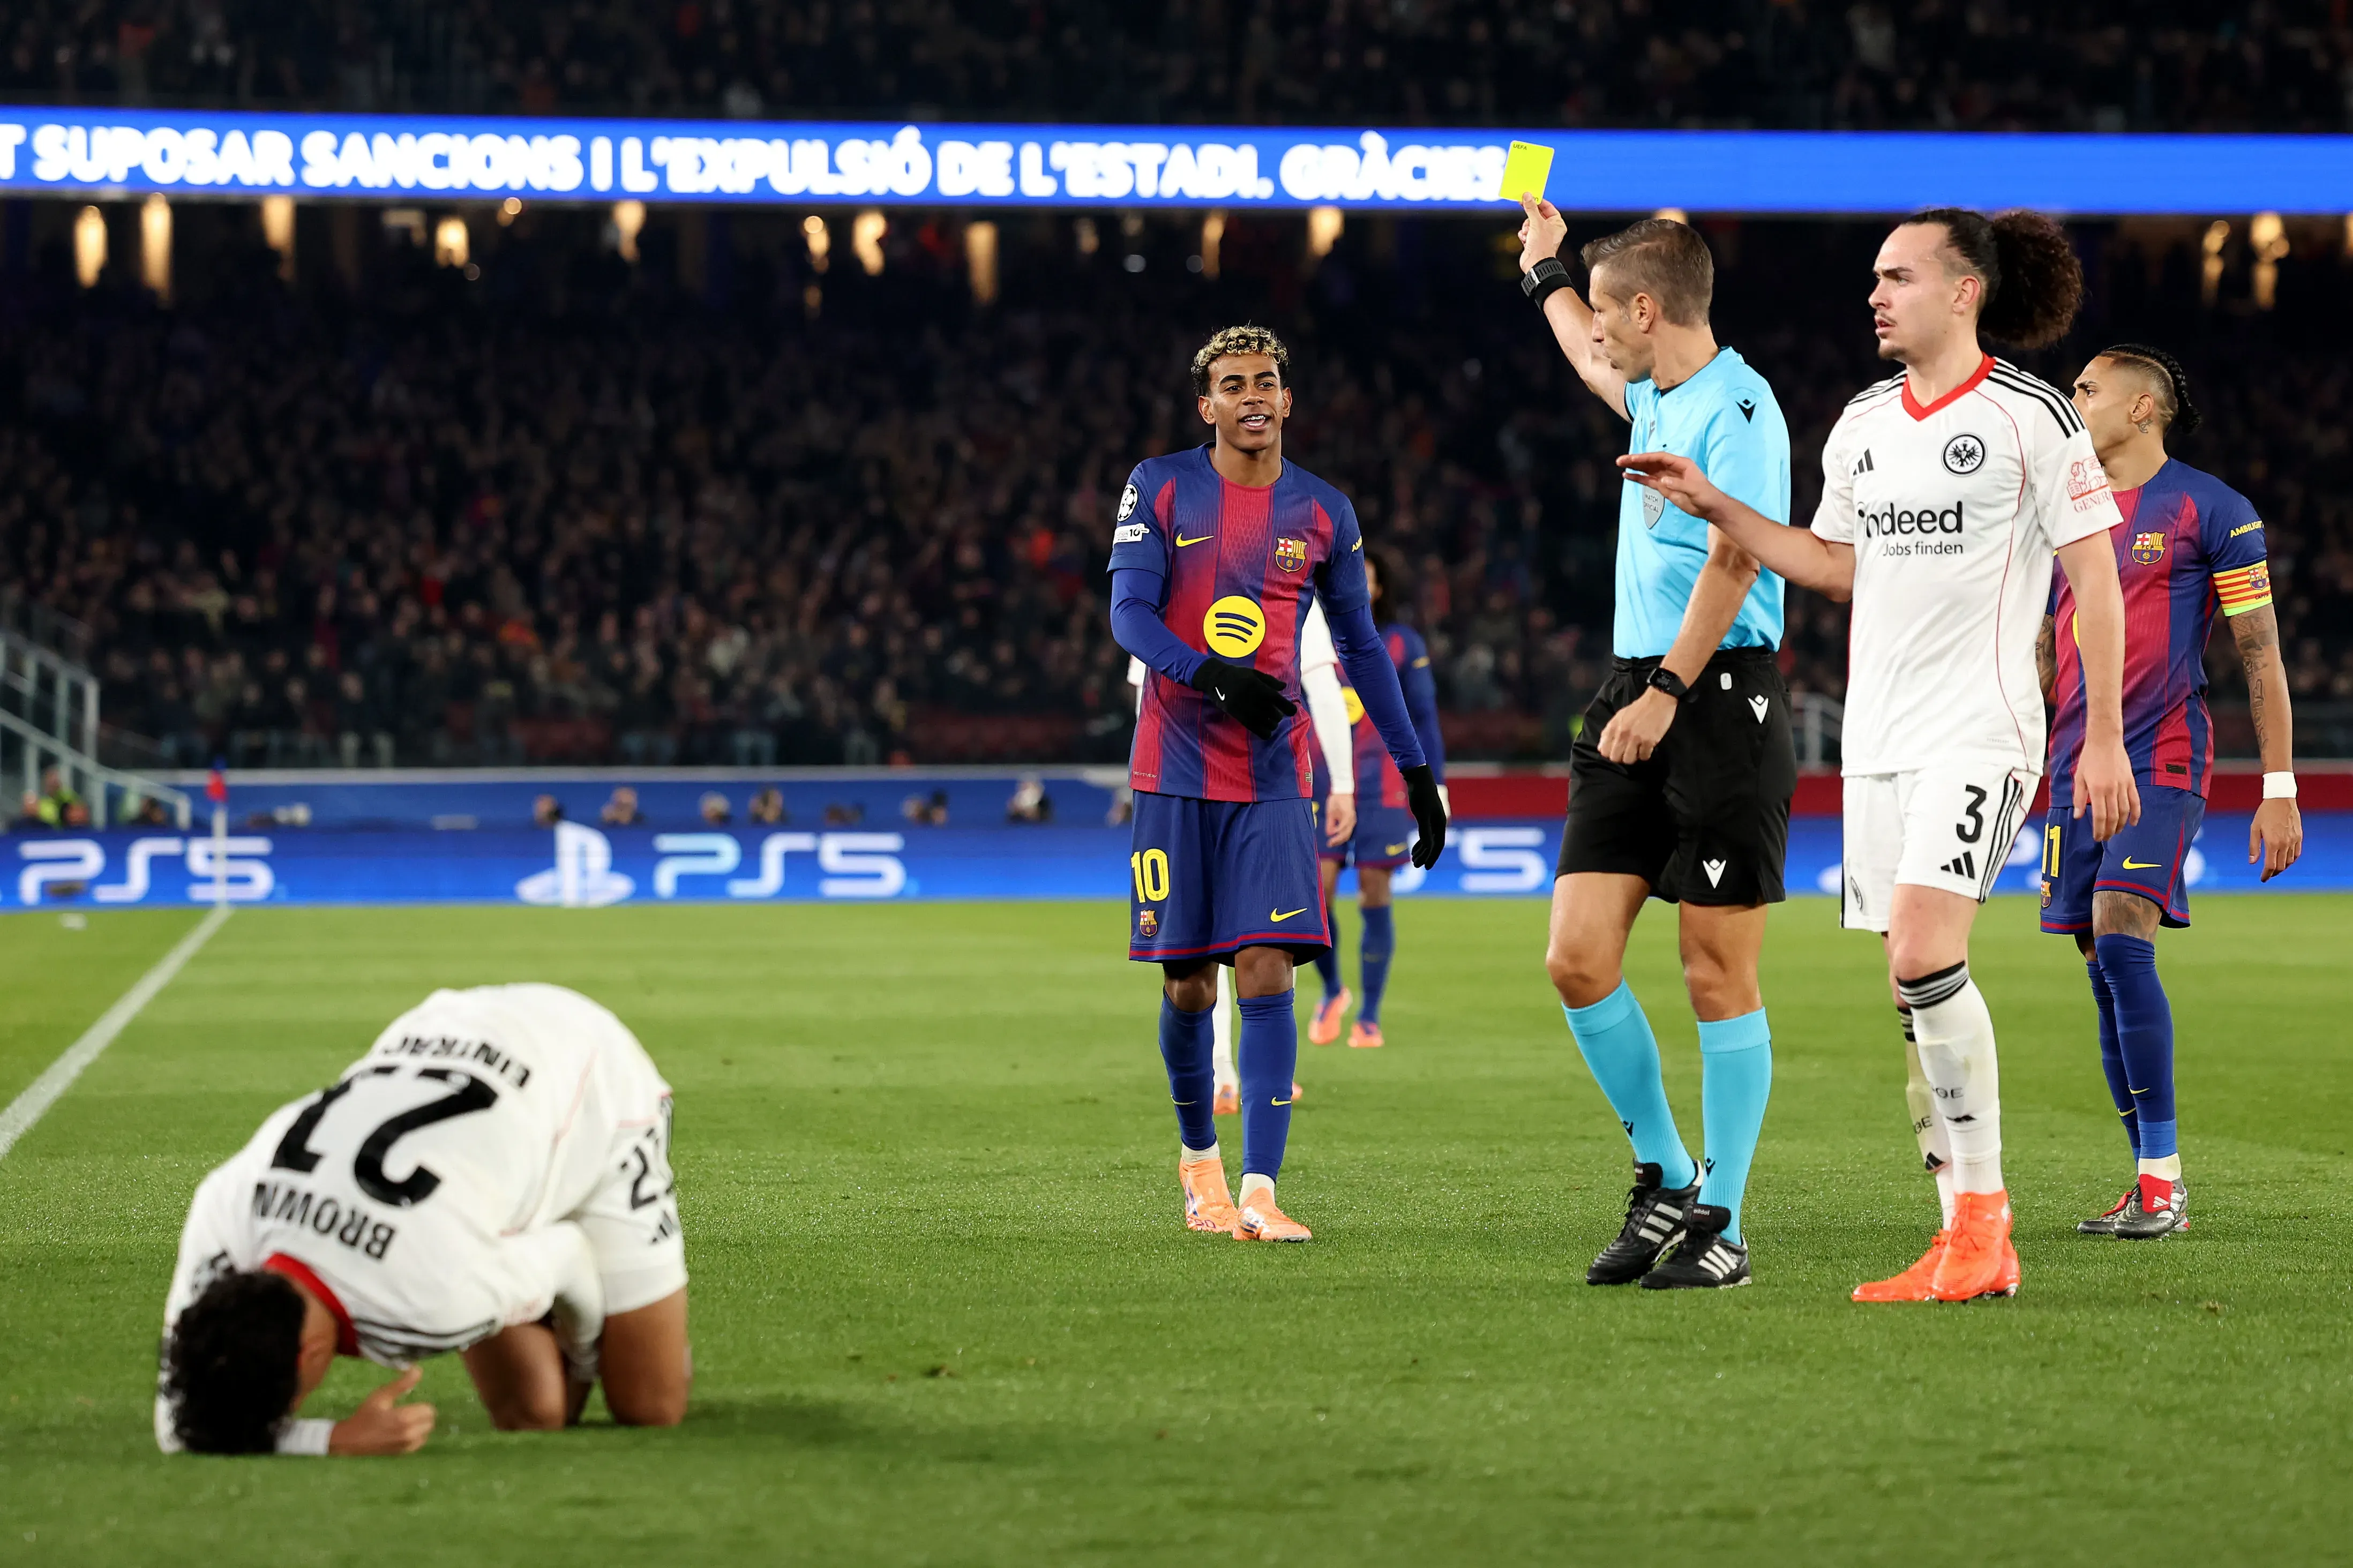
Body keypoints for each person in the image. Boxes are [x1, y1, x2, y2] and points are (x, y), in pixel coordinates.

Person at [1618, 206, 2140, 1303]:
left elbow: (2094, 573)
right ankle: (1961, 1232)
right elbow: (1830, 563)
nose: (1875, 293)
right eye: (1874, 276)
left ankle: (1989, 1223)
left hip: (1982, 726)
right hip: (1879, 740)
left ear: (1964, 291)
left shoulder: (2029, 414)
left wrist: (2099, 737)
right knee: (1912, 990)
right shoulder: (1859, 422)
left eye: (1898, 276)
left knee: (1920, 952)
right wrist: (1717, 504)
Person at [1109, 324, 1446, 1244]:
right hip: (1174, 772)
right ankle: (1198, 1167)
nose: (1251, 396)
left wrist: (1416, 773)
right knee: (1187, 987)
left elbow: (1362, 649)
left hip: (1270, 776)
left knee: (1264, 968)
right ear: (1206, 404)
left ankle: (1259, 1189)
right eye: (1232, 383)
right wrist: (1210, 675)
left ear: (1287, 400)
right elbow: (1128, 615)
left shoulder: (1324, 512)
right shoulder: (1159, 485)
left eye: (1266, 381)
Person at [1515, 201, 1795, 1290]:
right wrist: (1544, 272)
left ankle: (1722, 1213)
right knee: (1577, 956)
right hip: (1635, 687)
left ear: (1648, 307)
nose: (1601, 342)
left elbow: (1737, 561)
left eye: (1609, 318)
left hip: (1717, 691)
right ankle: (1667, 1174)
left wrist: (1672, 689)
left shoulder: (1743, 408)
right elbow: (1584, 354)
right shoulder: (1654, 392)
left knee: (1714, 970)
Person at [154, 984, 688, 1454]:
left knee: (648, 1403)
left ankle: (518, 1242)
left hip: (582, 1071)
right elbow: (181, 1419)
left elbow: (570, 1252)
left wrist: (586, 1356)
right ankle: (505, 1234)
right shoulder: (220, 1218)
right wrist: (329, 1439)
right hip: (456, 1143)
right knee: (535, 1414)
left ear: (312, 1356)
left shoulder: (428, 1295)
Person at [2043, 344, 2302, 1239]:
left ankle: (2164, 1185)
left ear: (2143, 408)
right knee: (2098, 967)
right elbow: (2044, 648)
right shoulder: (2058, 513)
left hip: (2161, 753)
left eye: (2086, 387)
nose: (2071, 398)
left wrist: (2278, 788)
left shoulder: (2211, 510)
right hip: (2068, 764)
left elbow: (2258, 654)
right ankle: (2143, 1178)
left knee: (2120, 932)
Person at [1307, 547, 1447, 1053]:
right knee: (1315, 896)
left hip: (1383, 784)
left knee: (1373, 891)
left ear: (1380, 587)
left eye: (1364, 578)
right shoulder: (1310, 634)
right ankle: (1332, 990)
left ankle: (1368, 1016)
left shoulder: (1401, 643)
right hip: (1324, 783)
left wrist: (1438, 786)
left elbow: (1425, 717)